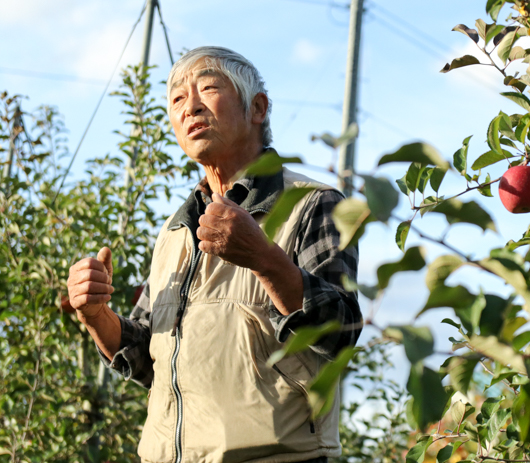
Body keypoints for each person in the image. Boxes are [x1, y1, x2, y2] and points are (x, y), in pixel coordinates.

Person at [66, 46, 361, 463]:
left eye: (208, 88)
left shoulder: (313, 203)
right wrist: (97, 316)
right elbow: (151, 359)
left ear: (257, 108)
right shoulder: (174, 230)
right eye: (177, 99)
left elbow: (340, 331)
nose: (191, 107)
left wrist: (264, 258)